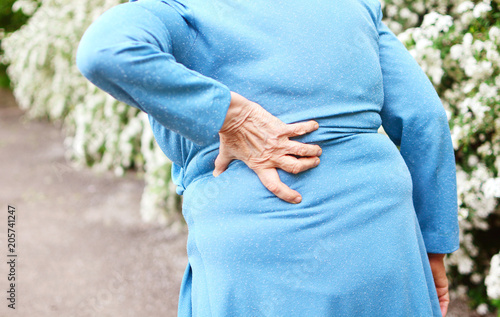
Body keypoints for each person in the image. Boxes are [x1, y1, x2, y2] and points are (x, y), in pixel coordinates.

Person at [76, 0, 460, 315]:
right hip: (381, 240)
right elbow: (424, 118)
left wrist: (232, 116)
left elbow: (105, 51)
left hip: (252, 255)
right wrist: (433, 246)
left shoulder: (178, 8)